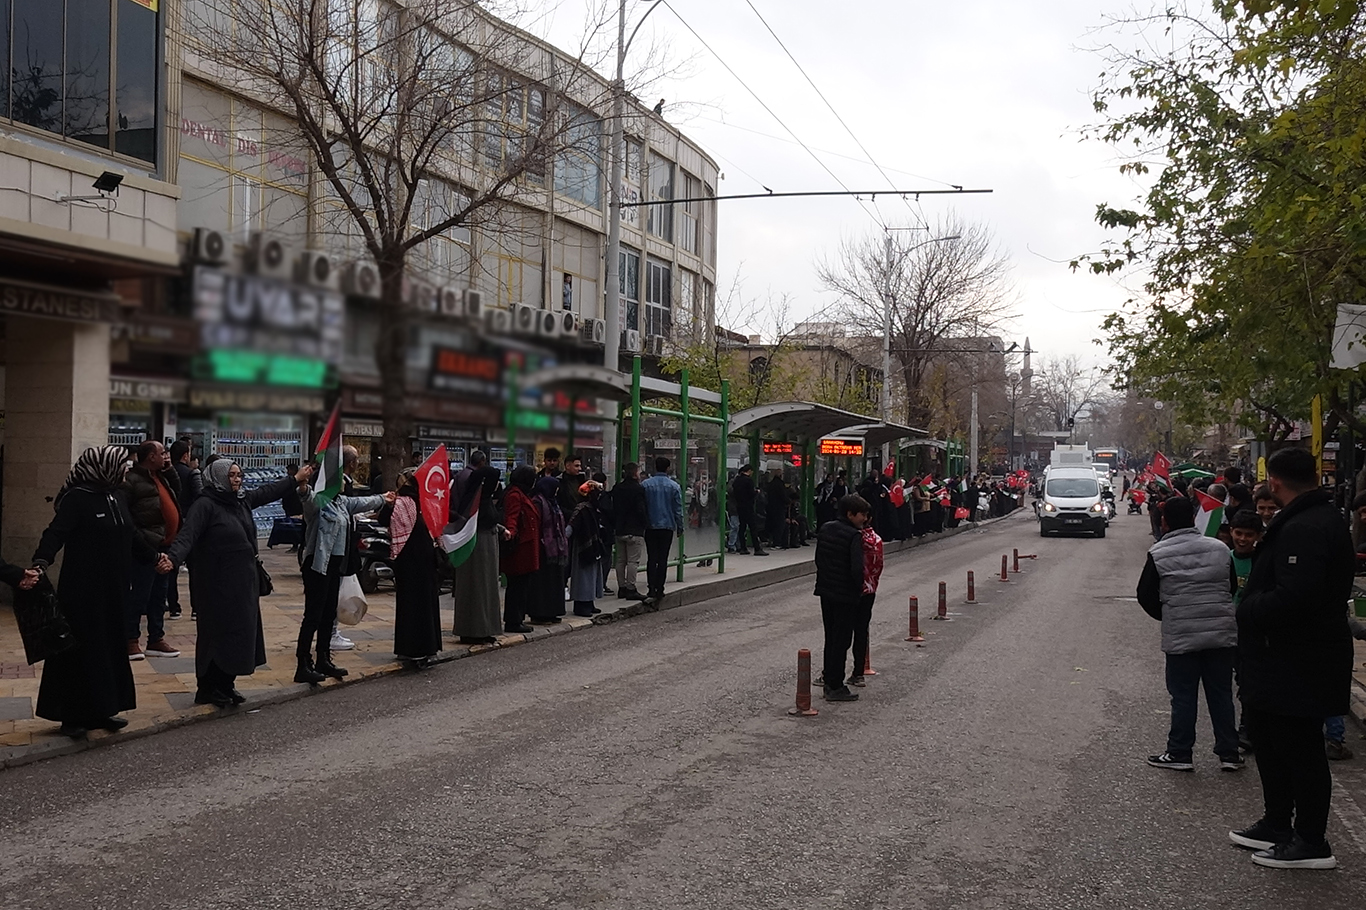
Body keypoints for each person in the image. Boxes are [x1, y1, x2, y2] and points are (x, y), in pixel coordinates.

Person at [1229, 447, 1354, 870]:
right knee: (1269, 741)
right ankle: (1278, 823)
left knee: (1300, 750)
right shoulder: (1306, 519)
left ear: (1275, 483)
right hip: (1278, 659)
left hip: (1300, 661)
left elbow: (1296, 596)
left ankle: (1311, 840)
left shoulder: (1308, 526)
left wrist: (1247, 609)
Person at [166, 460, 313, 706]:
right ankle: (209, 687)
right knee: (217, 635)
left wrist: (294, 480)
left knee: (240, 634)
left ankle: (226, 683)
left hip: (242, 584)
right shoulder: (205, 505)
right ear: (219, 478)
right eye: (231, 475)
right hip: (215, 584)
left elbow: (267, 492)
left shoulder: (240, 500)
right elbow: (187, 535)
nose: (236, 480)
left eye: (239, 475)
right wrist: (172, 558)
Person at [30, 447, 155, 737]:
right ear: (103, 466)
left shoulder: (116, 496)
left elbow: (132, 535)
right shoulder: (77, 498)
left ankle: (103, 709)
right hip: (83, 591)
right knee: (80, 652)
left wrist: (156, 558)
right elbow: (56, 532)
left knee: (109, 648)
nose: (126, 469)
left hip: (114, 590)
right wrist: (41, 561)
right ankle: (71, 715)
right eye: (121, 464)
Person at [1136, 495, 1241, 774]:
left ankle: (1180, 752)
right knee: (1221, 694)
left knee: (1183, 696)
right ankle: (1229, 752)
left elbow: (1145, 595)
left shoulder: (1158, 553)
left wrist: (1169, 614)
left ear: (1164, 521)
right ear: (1194, 518)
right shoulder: (1220, 549)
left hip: (1181, 636)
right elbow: (1230, 587)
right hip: (1220, 634)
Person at [298, 477, 393, 684]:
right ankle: (303, 663)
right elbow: (307, 499)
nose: (344, 482)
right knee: (313, 614)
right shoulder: (319, 501)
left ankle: (323, 658)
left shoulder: (341, 502)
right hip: (317, 565)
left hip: (334, 567)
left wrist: (383, 498)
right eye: (339, 478)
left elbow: (363, 503)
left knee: (328, 613)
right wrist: (303, 487)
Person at [121, 439, 183, 660]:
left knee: (159, 595)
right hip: (146, 547)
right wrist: (143, 541)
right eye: (162, 452)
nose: (166, 455)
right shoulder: (132, 481)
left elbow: (178, 493)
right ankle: (130, 639)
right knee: (140, 594)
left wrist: (171, 471)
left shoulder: (162, 476)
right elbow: (126, 517)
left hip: (165, 545)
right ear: (150, 457)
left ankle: (156, 638)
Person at [814, 493, 868, 703]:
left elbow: (819, 559)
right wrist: (859, 590)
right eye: (861, 515)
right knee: (842, 640)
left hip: (826, 591)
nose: (864, 519)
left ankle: (829, 677)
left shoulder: (826, 529)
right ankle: (836, 685)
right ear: (850, 514)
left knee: (831, 637)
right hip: (845, 595)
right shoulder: (854, 535)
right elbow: (857, 569)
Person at [387, 468, 442, 667]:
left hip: (406, 560)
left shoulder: (401, 503)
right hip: (425, 559)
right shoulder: (426, 503)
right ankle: (426, 646)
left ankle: (408, 647)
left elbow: (385, 519)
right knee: (425, 603)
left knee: (408, 605)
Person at [450, 451, 503, 645]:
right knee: (477, 589)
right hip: (477, 548)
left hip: (483, 548)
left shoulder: (482, 500)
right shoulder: (475, 503)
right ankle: (474, 629)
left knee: (483, 589)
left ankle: (483, 628)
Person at [499, 465, 540, 633]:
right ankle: (513, 620)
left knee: (522, 586)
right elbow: (512, 516)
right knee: (517, 587)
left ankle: (518, 618)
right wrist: (511, 531)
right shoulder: (515, 495)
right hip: (520, 548)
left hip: (526, 547)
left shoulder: (521, 493)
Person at [848, 512, 884, 689]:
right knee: (861, 632)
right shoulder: (877, 539)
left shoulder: (855, 538)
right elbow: (879, 566)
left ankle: (831, 673)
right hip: (870, 590)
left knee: (842, 632)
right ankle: (858, 672)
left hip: (853, 590)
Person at [168, 439, 202, 619]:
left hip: (171, 524)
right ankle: (196, 608)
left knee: (171, 566)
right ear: (186, 455)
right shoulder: (192, 474)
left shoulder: (164, 475)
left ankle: (174, 607)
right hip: (189, 524)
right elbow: (200, 497)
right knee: (194, 568)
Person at [642, 457, 684, 604]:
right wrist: (680, 527)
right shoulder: (674, 486)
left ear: (655, 467)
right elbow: (678, 510)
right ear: (668, 468)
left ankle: (651, 588)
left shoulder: (645, 485)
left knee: (651, 558)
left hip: (650, 526)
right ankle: (660, 588)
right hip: (667, 526)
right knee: (662, 559)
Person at [529, 475, 569, 624]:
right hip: (543, 548)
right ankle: (540, 613)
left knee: (554, 582)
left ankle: (553, 611)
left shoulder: (553, 502)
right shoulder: (538, 502)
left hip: (555, 549)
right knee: (542, 584)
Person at [612, 462, 649, 599]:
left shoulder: (617, 488)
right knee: (633, 561)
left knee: (621, 560)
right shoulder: (638, 489)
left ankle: (621, 587)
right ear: (635, 473)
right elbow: (640, 509)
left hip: (620, 528)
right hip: (634, 529)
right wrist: (645, 523)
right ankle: (631, 588)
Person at [568, 481, 605, 617]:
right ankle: (581, 604)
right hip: (583, 546)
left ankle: (589, 602)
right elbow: (572, 526)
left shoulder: (592, 508)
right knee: (583, 577)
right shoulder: (582, 508)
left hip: (593, 545)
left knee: (593, 576)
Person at [731, 464, 767, 556]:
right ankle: (757, 548)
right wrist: (756, 492)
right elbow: (751, 493)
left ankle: (743, 547)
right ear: (749, 471)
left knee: (742, 527)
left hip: (739, 506)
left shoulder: (737, 480)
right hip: (748, 506)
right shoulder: (748, 481)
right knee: (753, 528)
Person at [764, 463, 789, 548]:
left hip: (770, 507)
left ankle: (771, 541)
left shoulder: (771, 484)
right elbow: (783, 496)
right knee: (779, 525)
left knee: (772, 524)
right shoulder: (780, 484)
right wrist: (787, 501)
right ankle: (777, 542)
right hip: (779, 508)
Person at [557, 453, 587, 520]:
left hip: (580, 518)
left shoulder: (582, 480)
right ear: (568, 466)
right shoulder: (560, 482)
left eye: (579, 466)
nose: (579, 468)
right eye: (576, 466)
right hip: (567, 518)